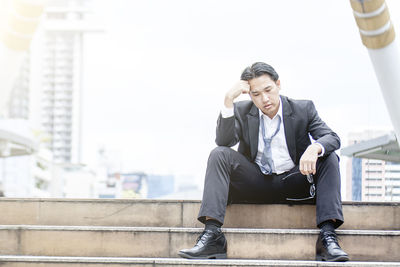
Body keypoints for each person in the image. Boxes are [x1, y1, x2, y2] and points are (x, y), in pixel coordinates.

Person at [178, 62, 349, 262]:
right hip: (256, 183)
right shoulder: (241, 110)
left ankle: (327, 238)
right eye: (256, 94)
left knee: (328, 156)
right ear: (249, 95)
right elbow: (225, 142)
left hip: (295, 181)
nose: (264, 99)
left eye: (268, 90)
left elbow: (332, 137)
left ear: (278, 84)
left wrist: (314, 148)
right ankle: (212, 235)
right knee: (219, 154)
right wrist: (227, 101)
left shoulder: (303, 108)